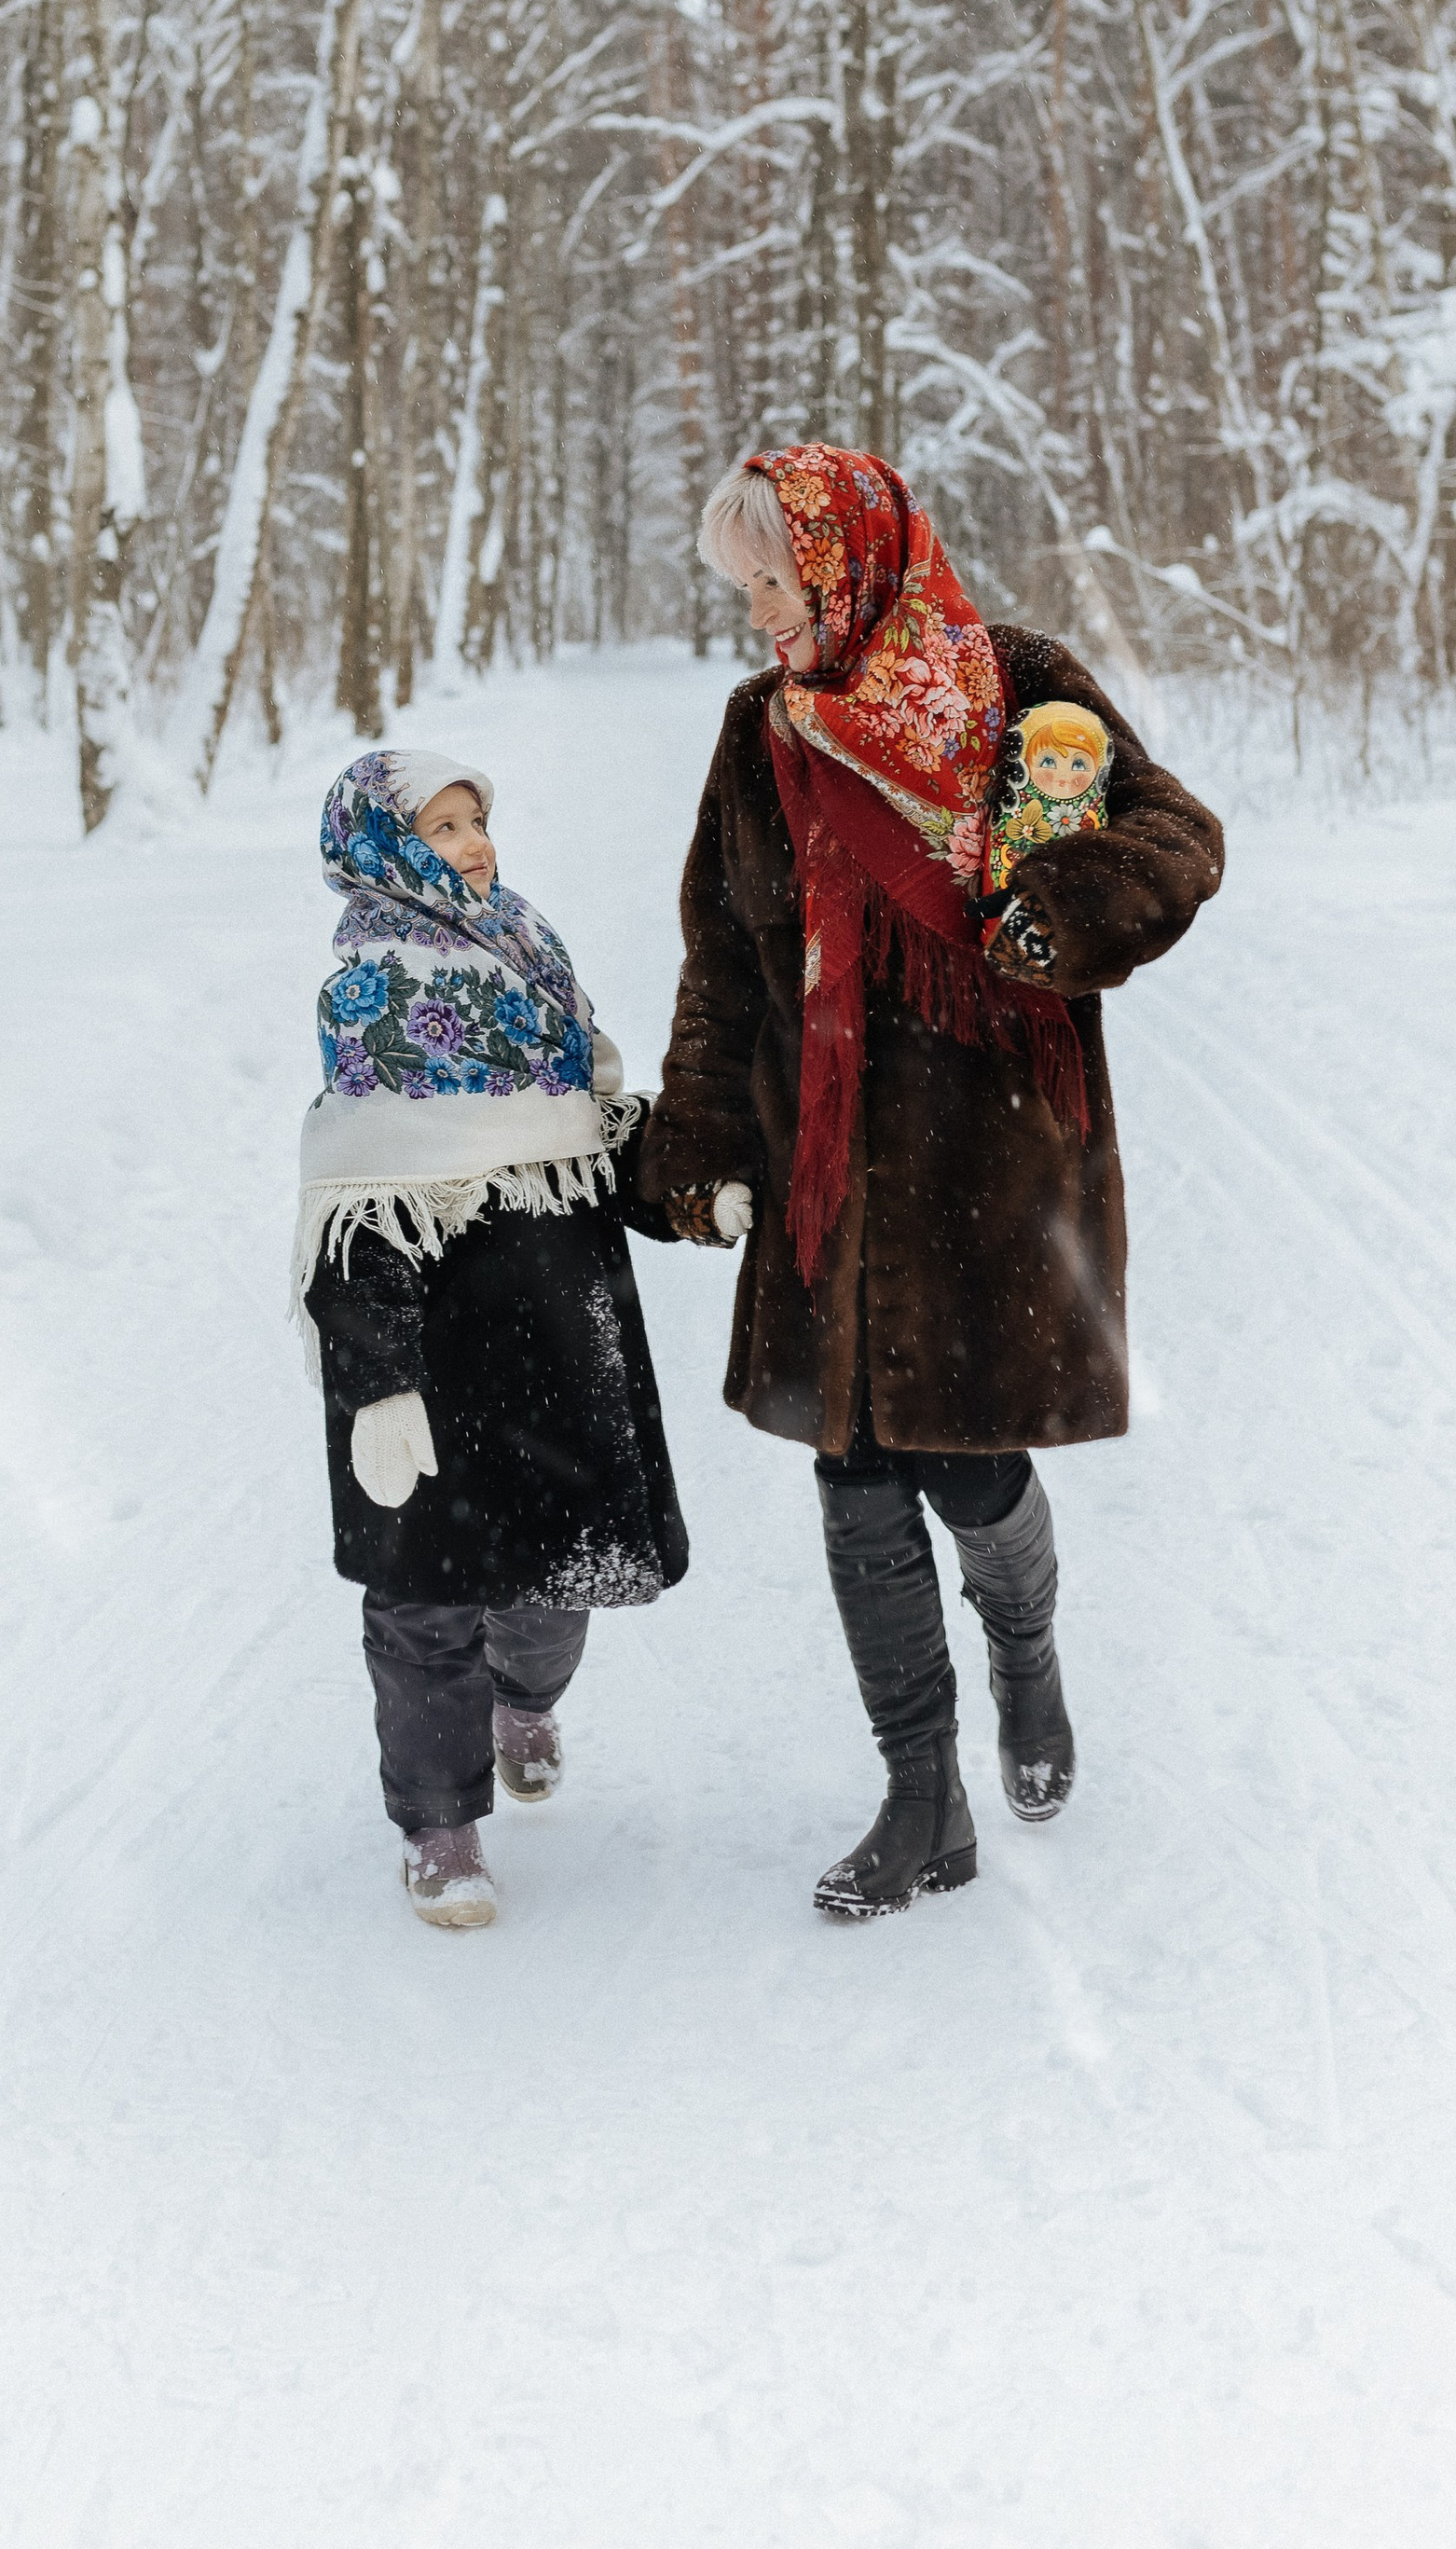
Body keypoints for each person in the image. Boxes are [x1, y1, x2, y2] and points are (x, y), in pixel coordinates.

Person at [639, 448, 1224, 1920]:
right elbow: (724, 955)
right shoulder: (759, 727)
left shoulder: (1019, 684)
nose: (760, 612)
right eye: (745, 586)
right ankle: (924, 1799)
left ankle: (1026, 1656)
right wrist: (698, 1144)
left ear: (850, 563)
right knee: (851, 1475)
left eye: (775, 579)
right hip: (825, 1164)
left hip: (994, 1161)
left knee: (968, 1466)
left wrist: (1061, 910)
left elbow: (1178, 839)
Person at [296, 749, 687, 1932]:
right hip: (431, 1349)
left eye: (476, 821)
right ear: (382, 851)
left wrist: (685, 1189)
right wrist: (376, 1380)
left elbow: (585, 1133)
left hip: (559, 1321)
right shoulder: (369, 999)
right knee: (422, 1593)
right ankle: (439, 1827)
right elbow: (356, 1201)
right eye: (443, 828)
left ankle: (525, 1701)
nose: (474, 845)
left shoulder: (530, 957)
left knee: (553, 1582)